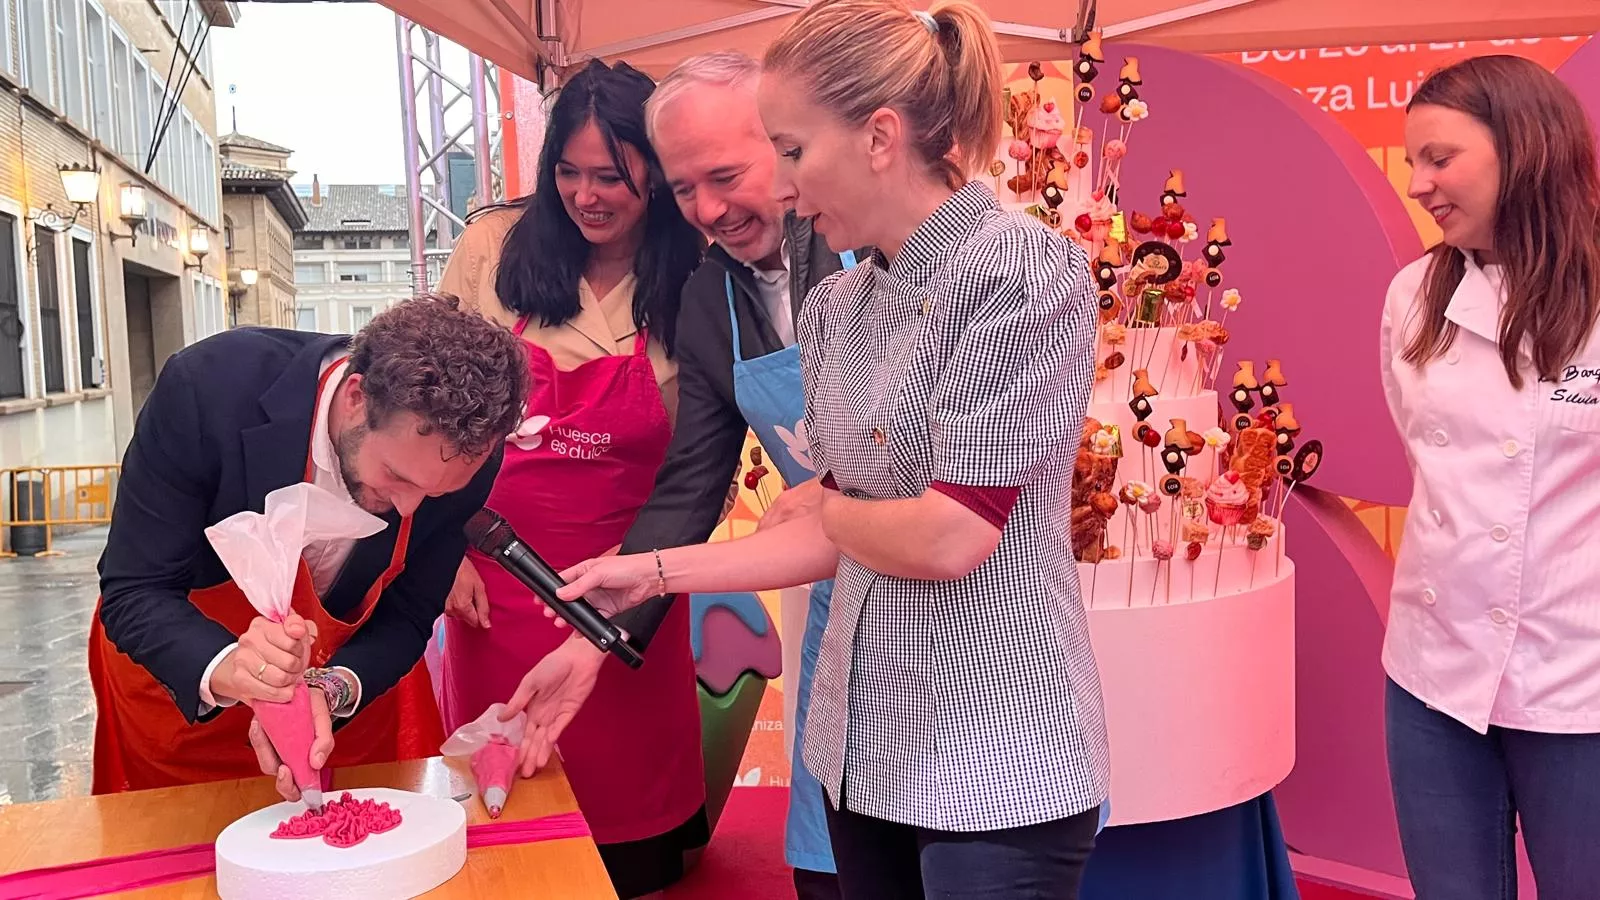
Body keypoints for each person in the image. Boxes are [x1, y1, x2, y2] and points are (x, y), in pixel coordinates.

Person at [517, 2, 1111, 897]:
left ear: (877, 137)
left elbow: (950, 536)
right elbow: (762, 508)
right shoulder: (838, 307)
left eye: (784, 153)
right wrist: (644, 581)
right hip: (858, 734)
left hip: (993, 746)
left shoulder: (1016, 272)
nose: (781, 191)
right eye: (685, 189)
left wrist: (822, 504)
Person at [432, 58, 708, 900]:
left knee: (632, 843)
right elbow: (432, 412)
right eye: (569, 173)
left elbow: (701, 455)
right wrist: (442, 549)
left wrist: (639, 583)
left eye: (613, 177)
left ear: (655, 178)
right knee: (504, 820)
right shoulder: (494, 248)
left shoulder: (696, 275)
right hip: (494, 579)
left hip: (632, 579)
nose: (588, 196)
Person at [90, 296, 527, 800]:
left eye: (435, 493)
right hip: (182, 690)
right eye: (396, 476)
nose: (409, 509)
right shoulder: (208, 389)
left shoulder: (467, 458)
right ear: (356, 398)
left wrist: (332, 688)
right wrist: (229, 667)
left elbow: (407, 614)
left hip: (338, 722)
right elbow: (134, 589)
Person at [612, 49, 868, 900]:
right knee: (828, 867)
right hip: (835, 614)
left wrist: (836, 495)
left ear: (789, 144)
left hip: (950, 603)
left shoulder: (880, 257)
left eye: (725, 175)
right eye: (685, 191)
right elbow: (691, 484)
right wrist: (598, 634)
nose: (709, 210)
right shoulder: (705, 301)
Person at [1379, 55, 1600, 900]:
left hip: (1578, 679)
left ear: (1526, 148)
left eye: (1440, 158)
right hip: (1434, 674)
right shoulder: (1412, 297)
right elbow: (1426, 458)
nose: (1419, 185)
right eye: (1412, 164)